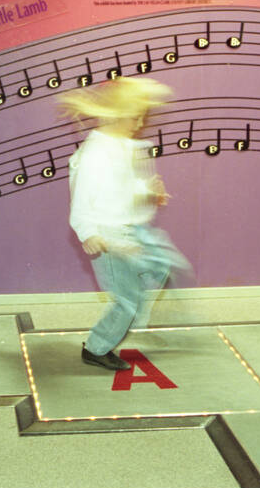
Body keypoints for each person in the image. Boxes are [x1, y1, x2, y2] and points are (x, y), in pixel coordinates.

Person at [57, 76, 191, 371]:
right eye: (135, 116)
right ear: (116, 114)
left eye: (142, 116)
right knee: (126, 302)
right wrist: (87, 232)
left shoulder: (121, 146)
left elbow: (122, 189)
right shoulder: (94, 154)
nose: (139, 123)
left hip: (133, 231)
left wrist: (149, 192)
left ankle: (135, 310)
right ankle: (96, 347)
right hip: (109, 236)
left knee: (166, 265)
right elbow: (80, 201)